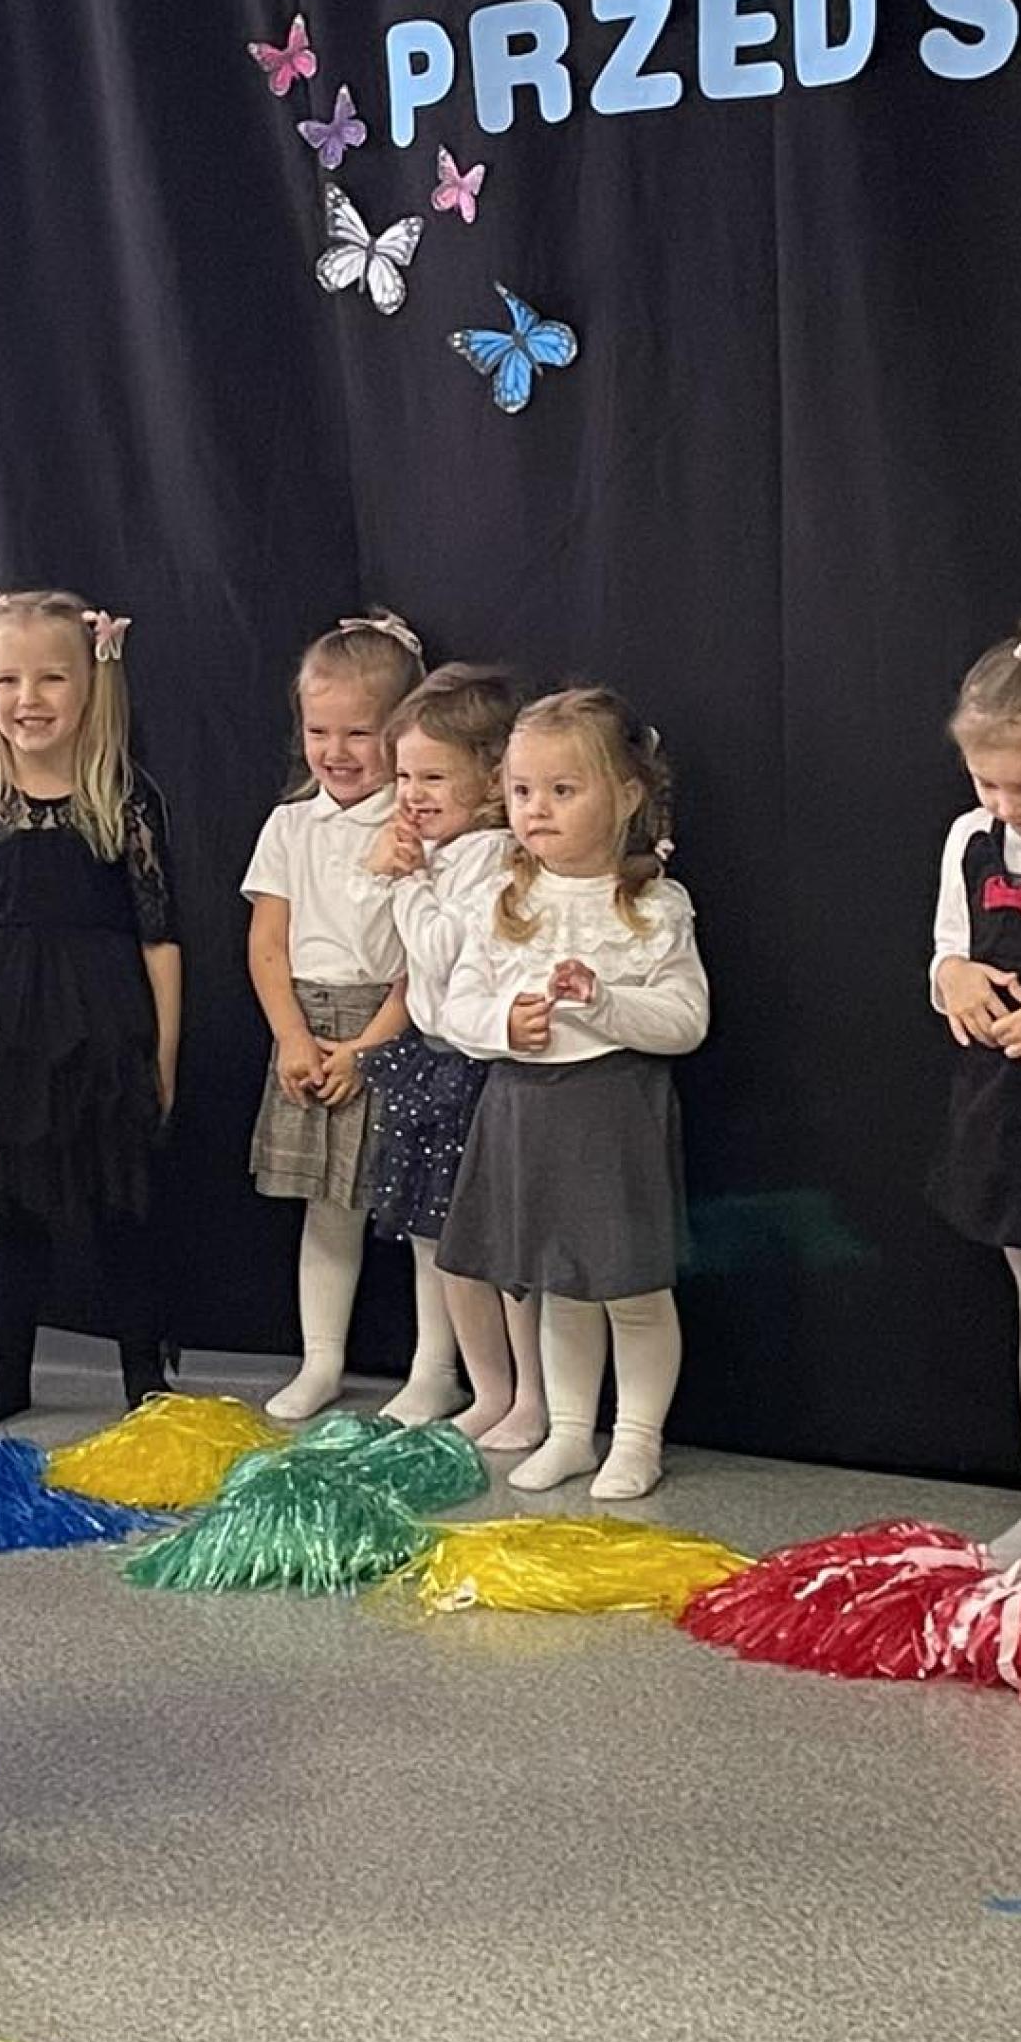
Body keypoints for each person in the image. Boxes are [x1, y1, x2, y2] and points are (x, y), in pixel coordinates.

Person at [435, 689, 708, 1500]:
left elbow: (687, 1020)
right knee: (559, 1285)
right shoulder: (504, 897)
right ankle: (568, 1430)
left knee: (632, 1289)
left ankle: (638, 1438)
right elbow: (456, 1005)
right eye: (522, 790)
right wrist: (503, 1023)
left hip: (613, 1112)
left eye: (563, 790)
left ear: (625, 795)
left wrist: (606, 1004)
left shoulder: (654, 906)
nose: (537, 809)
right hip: (524, 1109)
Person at [0, 589, 180, 1426]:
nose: (28, 698)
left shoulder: (125, 800)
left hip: (105, 1026)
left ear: (91, 682)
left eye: (51, 678)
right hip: (1, 1028)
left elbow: (160, 939)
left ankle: (145, 1377)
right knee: (8, 1208)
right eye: (8, 679)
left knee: (123, 1205)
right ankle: (8, 1371)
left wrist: (164, 1055)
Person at [243, 613, 423, 1421]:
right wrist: (292, 1037)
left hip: (392, 1025)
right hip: (307, 1028)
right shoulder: (290, 824)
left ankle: (434, 1369)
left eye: (359, 732)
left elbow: (424, 962)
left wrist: (367, 1048)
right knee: (328, 1206)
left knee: (423, 1210)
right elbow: (267, 943)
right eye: (320, 731)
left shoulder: (417, 827)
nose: (337, 751)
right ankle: (321, 1360)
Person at [362, 663, 545, 1449]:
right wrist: (395, 876)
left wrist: (406, 884)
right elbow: (386, 957)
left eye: (433, 776)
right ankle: (487, 1387)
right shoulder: (436, 854)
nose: (412, 793)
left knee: (501, 1248)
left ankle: (532, 1394)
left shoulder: (495, 856)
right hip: (431, 1060)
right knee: (445, 1244)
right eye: (404, 775)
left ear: (493, 778)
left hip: (479, 1069)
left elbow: (442, 951)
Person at [928, 613, 1021, 1561]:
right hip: (1013, 1114)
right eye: (988, 783)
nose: (1009, 804)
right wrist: (954, 979)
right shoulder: (970, 838)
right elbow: (948, 949)